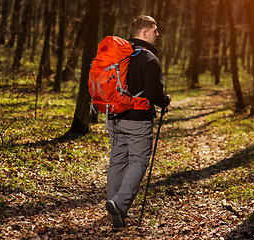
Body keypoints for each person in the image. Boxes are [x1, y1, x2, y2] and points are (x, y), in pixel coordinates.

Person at [105, 15, 171, 228]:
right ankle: (119, 204)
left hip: (114, 116)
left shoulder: (119, 54)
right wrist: (165, 100)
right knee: (138, 162)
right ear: (145, 33)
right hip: (138, 120)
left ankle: (115, 209)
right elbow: (154, 94)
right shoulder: (149, 58)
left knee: (117, 161)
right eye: (155, 30)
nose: (157, 34)